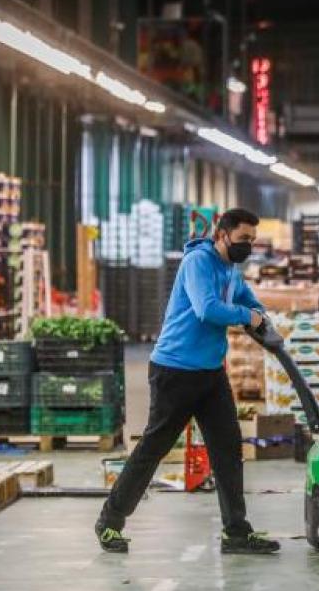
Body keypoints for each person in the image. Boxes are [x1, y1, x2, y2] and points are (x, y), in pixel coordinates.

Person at [95, 208, 280, 554]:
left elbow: (243, 297)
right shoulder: (198, 262)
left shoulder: (229, 268)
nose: (248, 247)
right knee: (154, 449)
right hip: (175, 372)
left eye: (252, 241)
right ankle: (109, 523)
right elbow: (206, 309)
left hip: (210, 373)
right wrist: (247, 316)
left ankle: (236, 532)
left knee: (227, 450)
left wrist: (262, 314)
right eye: (243, 239)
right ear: (222, 235)